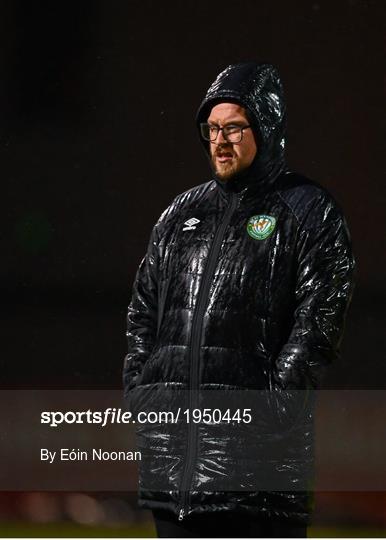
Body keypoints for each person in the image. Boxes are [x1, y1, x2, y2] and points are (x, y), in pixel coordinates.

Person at [123, 62, 356, 538]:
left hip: (258, 477)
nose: (219, 141)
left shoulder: (308, 211)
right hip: (174, 475)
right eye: (212, 129)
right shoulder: (179, 215)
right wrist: (142, 393)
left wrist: (271, 408)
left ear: (265, 129)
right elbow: (143, 313)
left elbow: (318, 322)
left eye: (233, 127)